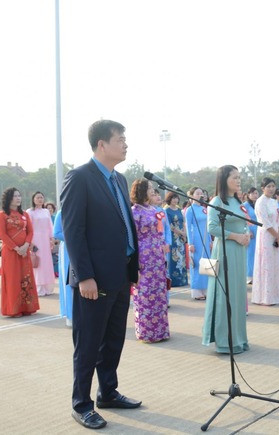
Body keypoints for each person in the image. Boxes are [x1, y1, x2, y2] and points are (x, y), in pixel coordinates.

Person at [60, 120, 141, 430]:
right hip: (93, 279)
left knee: (113, 340)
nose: (125, 144)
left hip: (120, 274)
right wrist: (84, 276)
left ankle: (108, 392)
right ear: (102, 145)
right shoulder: (79, 177)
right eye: (120, 139)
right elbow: (73, 231)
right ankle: (81, 404)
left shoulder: (119, 180)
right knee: (88, 343)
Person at [202, 165, 251, 353]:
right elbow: (212, 228)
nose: (238, 181)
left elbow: (244, 223)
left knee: (238, 295)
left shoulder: (237, 201)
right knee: (226, 295)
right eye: (234, 177)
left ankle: (239, 338)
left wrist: (246, 234)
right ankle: (225, 340)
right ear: (224, 180)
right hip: (225, 251)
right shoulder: (217, 201)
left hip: (240, 251)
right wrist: (235, 236)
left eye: (239, 177)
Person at [130, 181, 170, 343]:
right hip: (143, 256)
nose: (153, 191)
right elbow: (133, 237)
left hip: (158, 256)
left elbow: (160, 231)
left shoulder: (155, 210)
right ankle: (147, 332)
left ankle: (161, 331)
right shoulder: (134, 211)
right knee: (145, 293)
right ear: (141, 191)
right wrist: (135, 260)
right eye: (150, 189)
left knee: (159, 292)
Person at [0, 188, 39, 316]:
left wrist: (25, 245)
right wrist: (16, 248)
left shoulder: (25, 214)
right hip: (10, 252)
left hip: (24, 252)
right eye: (15, 196)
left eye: (19, 196)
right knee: (13, 279)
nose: (18, 198)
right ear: (9, 198)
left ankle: (27, 307)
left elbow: (30, 231)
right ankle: (14, 309)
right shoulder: (2, 214)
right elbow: (2, 234)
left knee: (26, 278)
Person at [252, 178, 279, 305]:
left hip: (276, 235)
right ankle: (265, 297)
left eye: (273, 186)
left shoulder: (273, 202)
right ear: (262, 188)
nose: (271, 189)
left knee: (275, 265)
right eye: (268, 186)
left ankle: (276, 295)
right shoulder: (260, 202)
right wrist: (277, 236)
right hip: (266, 236)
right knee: (266, 265)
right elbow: (265, 222)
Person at [26, 191, 56, 296]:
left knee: (47, 263)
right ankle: (38, 287)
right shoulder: (30, 212)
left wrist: (52, 238)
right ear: (33, 199)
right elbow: (28, 227)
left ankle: (47, 287)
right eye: (38, 197)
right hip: (35, 239)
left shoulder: (46, 211)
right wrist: (30, 242)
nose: (40, 199)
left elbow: (50, 226)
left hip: (45, 239)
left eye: (41, 197)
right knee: (37, 263)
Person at [184, 187, 211, 300]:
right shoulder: (190, 210)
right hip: (196, 238)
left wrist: (210, 240)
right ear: (191, 195)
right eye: (197, 193)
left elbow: (208, 226)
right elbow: (188, 226)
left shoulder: (204, 209)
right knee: (197, 263)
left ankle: (205, 289)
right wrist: (190, 243)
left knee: (206, 263)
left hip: (205, 239)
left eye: (201, 193)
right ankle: (196, 291)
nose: (200, 195)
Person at [52, 209, 73, 327]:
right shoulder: (62, 212)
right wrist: (74, 237)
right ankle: (70, 315)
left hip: (83, 247)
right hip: (68, 249)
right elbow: (57, 233)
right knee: (68, 281)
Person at [165, 192, 188, 288]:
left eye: (176, 198)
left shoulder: (179, 210)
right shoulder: (166, 210)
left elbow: (183, 222)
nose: (175, 200)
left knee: (181, 258)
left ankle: (182, 280)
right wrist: (181, 233)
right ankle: (173, 281)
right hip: (173, 237)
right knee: (173, 257)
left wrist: (184, 234)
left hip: (181, 237)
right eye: (173, 198)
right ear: (169, 199)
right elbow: (170, 226)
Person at [243, 187, 258, 284]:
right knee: (250, 254)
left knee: (257, 253)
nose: (255, 195)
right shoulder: (245, 205)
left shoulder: (258, 204)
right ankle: (250, 276)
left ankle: (257, 274)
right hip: (250, 231)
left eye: (256, 193)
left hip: (259, 230)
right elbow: (244, 219)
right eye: (253, 193)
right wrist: (248, 231)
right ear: (248, 195)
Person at [46, 202, 60, 277]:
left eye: (51, 208)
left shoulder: (55, 217)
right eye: (48, 208)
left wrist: (56, 240)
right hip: (46, 240)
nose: (49, 209)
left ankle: (56, 272)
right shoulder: (44, 218)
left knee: (55, 257)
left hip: (55, 241)